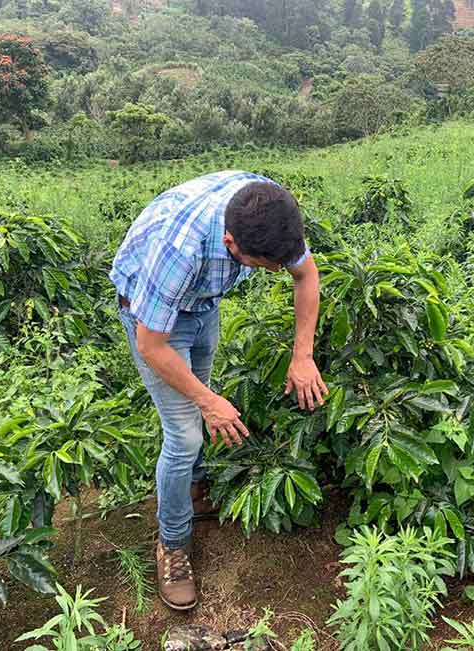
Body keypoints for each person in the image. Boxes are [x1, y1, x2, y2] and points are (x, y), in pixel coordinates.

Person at [110, 170, 329, 611]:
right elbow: (153, 345)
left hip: (201, 304)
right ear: (232, 245)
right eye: (260, 266)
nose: (271, 271)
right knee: (186, 431)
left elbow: (306, 276)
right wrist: (209, 403)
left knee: (201, 400)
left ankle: (193, 487)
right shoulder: (180, 251)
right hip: (150, 315)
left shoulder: (271, 212)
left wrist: (302, 355)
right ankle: (172, 545)